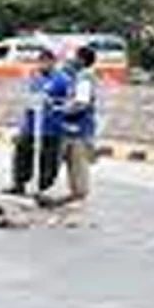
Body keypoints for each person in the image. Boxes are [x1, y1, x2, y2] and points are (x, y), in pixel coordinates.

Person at [3, 49, 70, 198]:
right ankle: (19, 183)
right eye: (40, 62)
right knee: (22, 152)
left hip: (51, 126)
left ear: (53, 62)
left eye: (46, 62)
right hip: (31, 125)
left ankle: (43, 188)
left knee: (48, 158)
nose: (42, 65)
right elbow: (30, 99)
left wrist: (56, 106)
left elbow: (67, 101)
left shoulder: (62, 80)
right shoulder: (36, 78)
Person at [57, 45, 99, 204]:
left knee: (78, 160)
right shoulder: (79, 76)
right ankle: (75, 192)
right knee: (72, 160)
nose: (71, 60)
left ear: (82, 59)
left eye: (75, 57)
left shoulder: (84, 78)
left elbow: (81, 103)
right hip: (75, 126)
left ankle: (79, 194)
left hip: (80, 126)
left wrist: (62, 111)